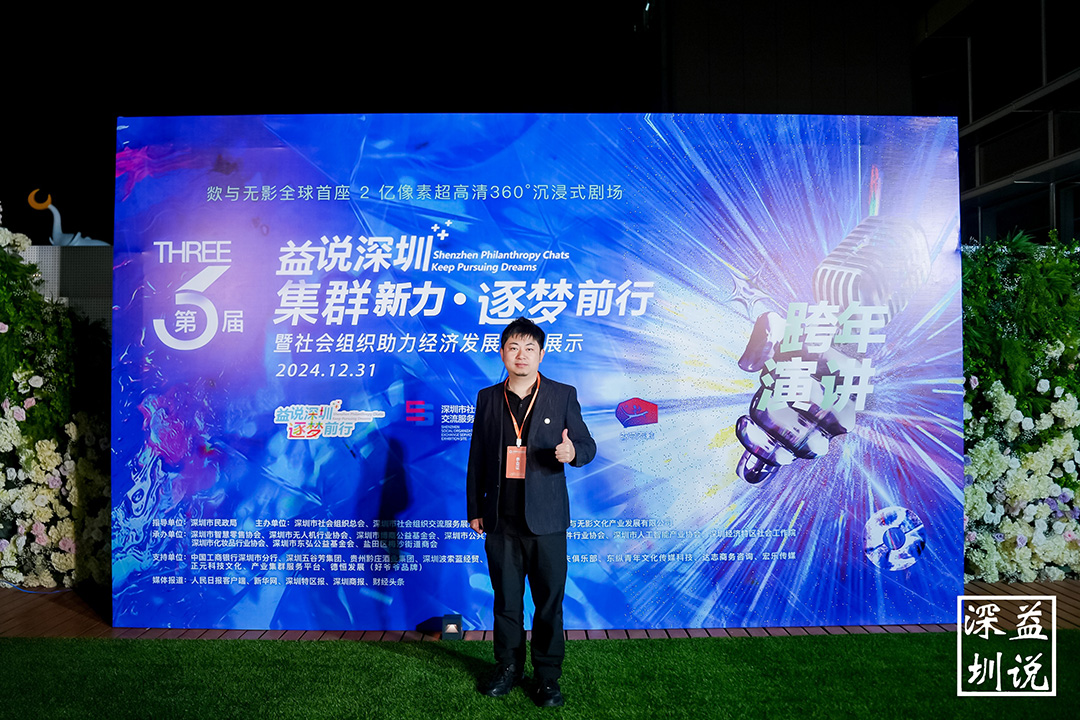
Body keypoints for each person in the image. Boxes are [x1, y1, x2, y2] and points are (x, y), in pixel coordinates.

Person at [467, 316, 596, 708]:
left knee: (548, 603)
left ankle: (547, 676)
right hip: (500, 520)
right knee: (506, 601)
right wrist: (475, 508)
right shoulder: (488, 398)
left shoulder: (562, 394)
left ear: (541, 354)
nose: (520, 355)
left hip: (547, 521)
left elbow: (587, 445)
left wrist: (572, 452)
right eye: (513, 347)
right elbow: (477, 457)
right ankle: (508, 667)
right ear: (502, 353)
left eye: (529, 348)